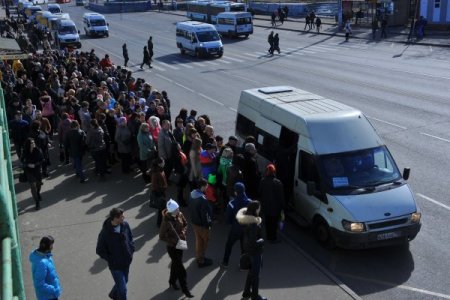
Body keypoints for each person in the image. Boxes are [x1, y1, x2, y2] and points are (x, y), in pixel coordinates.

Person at [96, 208, 135, 300]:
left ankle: (113, 294)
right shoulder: (105, 233)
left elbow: (130, 237)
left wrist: (131, 249)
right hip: (116, 266)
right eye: (121, 217)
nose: (124, 218)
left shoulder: (125, 225)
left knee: (125, 281)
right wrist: (111, 259)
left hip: (126, 261)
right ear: (115, 218)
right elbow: (99, 250)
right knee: (123, 290)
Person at [159, 199, 194, 298]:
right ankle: (186, 290)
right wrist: (174, 240)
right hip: (172, 247)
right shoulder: (166, 221)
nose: (178, 210)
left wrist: (183, 232)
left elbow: (186, 224)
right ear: (171, 211)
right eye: (176, 209)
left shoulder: (179, 214)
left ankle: (172, 281)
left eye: (178, 208)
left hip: (180, 244)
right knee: (181, 269)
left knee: (175, 264)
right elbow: (161, 236)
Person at [237, 201, 266, 300]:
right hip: (255, 252)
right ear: (255, 209)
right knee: (256, 275)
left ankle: (246, 292)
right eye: (259, 208)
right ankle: (255, 296)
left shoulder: (246, 220)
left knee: (251, 273)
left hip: (248, 251)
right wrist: (261, 240)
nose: (260, 209)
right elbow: (254, 241)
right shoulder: (254, 224)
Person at [221, 182, 251, 268]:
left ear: (236, 192)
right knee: (244, 248)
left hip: (235, 228)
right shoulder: (250, 202)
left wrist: (231, 223)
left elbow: (228, 218)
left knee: (229, 245)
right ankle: (243, 266)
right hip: (246, 228)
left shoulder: (231, 203)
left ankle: (225, 262)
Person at [189, 178, 213, 267]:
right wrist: (208, 225)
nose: (207, 187)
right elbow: (205, 215)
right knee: (204, 241)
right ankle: (201, 260)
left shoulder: (191, 194)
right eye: (206, 185)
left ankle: (199, 257)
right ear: (203, 186)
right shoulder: (203, 199)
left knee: (198, 241)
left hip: (194, 222)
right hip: (202, 225)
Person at [29, 235, 61, 300]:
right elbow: (39, 284)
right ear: (46, 246)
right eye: (51, 245)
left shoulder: (44, 256)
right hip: (48, 296)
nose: (52, 247)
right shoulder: (41, 264)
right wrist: (53, 289)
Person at [259, 164, 285, 243]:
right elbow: (281, 196)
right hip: (275, 207)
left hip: (265, 205)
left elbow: (259, 193)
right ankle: (273, 238)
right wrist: (283, 207)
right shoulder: (278, 182)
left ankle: (268, 236)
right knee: (274, 222)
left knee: (267, 221)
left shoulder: (262, 181)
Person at [21, 138, 45, 210]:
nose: (33, 144)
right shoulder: (25, 151)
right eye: (31, 143)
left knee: (38, 185)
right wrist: (27, 164)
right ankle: (37, 202)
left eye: (34, 142)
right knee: (33, 187)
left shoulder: (38, 150)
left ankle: (38, 193)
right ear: (28, 144)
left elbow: (42, 160)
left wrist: (35, 164)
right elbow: (22, 160)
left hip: (37, 170)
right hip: (29, 171)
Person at [151, 157, 168, 227]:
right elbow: (154, 185)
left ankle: (161, 222)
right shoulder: (156, 173)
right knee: (162, 208)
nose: (164, 163)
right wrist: (161, 191)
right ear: (159, 164)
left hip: (162, 192)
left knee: (162, 208)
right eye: (163, 162)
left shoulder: (160, 170)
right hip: (160, 193)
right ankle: (160, 223)